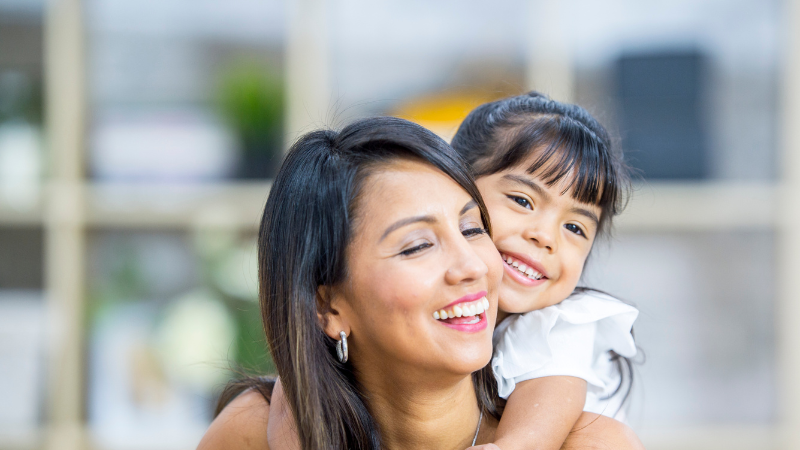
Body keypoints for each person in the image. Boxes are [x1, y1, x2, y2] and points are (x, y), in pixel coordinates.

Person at [197, 116, 644, 449]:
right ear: (327, 307)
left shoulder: (583, 419)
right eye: (417, 246)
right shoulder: (252, 431)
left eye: (472, 229)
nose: (472, 266)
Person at [451, 92, 639, 450]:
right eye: (523, 201)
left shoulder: (560, 324)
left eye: (574, 228)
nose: (546, 237)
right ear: (455, 186)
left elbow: (536, 427)